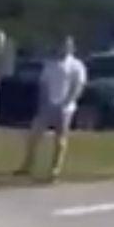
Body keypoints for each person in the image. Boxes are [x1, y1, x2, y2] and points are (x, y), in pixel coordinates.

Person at [17, 35, 87, 181]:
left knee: (60, 139)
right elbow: (43, 84)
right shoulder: (50, 64)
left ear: (72, 48)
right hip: (48, 105)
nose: (64, 48)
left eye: (68, 45)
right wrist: (44, 102)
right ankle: (27, 165)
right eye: (62, 45)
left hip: (65, 108)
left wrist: (67, 102)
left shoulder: (76, 65)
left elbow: (78, 86)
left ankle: (55, 169)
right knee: (34, 135)